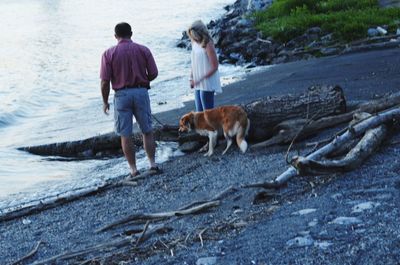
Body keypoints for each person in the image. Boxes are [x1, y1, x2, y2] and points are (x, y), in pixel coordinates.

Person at [100, 22, 160, 177]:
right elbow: (154, 73)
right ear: (131, 33)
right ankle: (152, 164)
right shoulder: (143, 50)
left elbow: (105, 81)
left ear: (115, 36)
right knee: (147, 130)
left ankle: (134, 170)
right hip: (140, 92)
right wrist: (142, 80)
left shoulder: (108, 54)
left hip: (121, 95)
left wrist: (105, 101)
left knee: (125, 134)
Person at [187, 20, 222, 112]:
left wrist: (200, 79)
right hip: (198, 82)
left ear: (201, 32)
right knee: (199, 113)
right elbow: (194, 62)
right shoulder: (194, 42)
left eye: (195, 34)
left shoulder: (208, 43)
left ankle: (213, 127)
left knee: (207, 114)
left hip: (207, 82)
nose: (194, 37)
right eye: (192, 35)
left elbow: (215, 67)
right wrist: (191, 78)